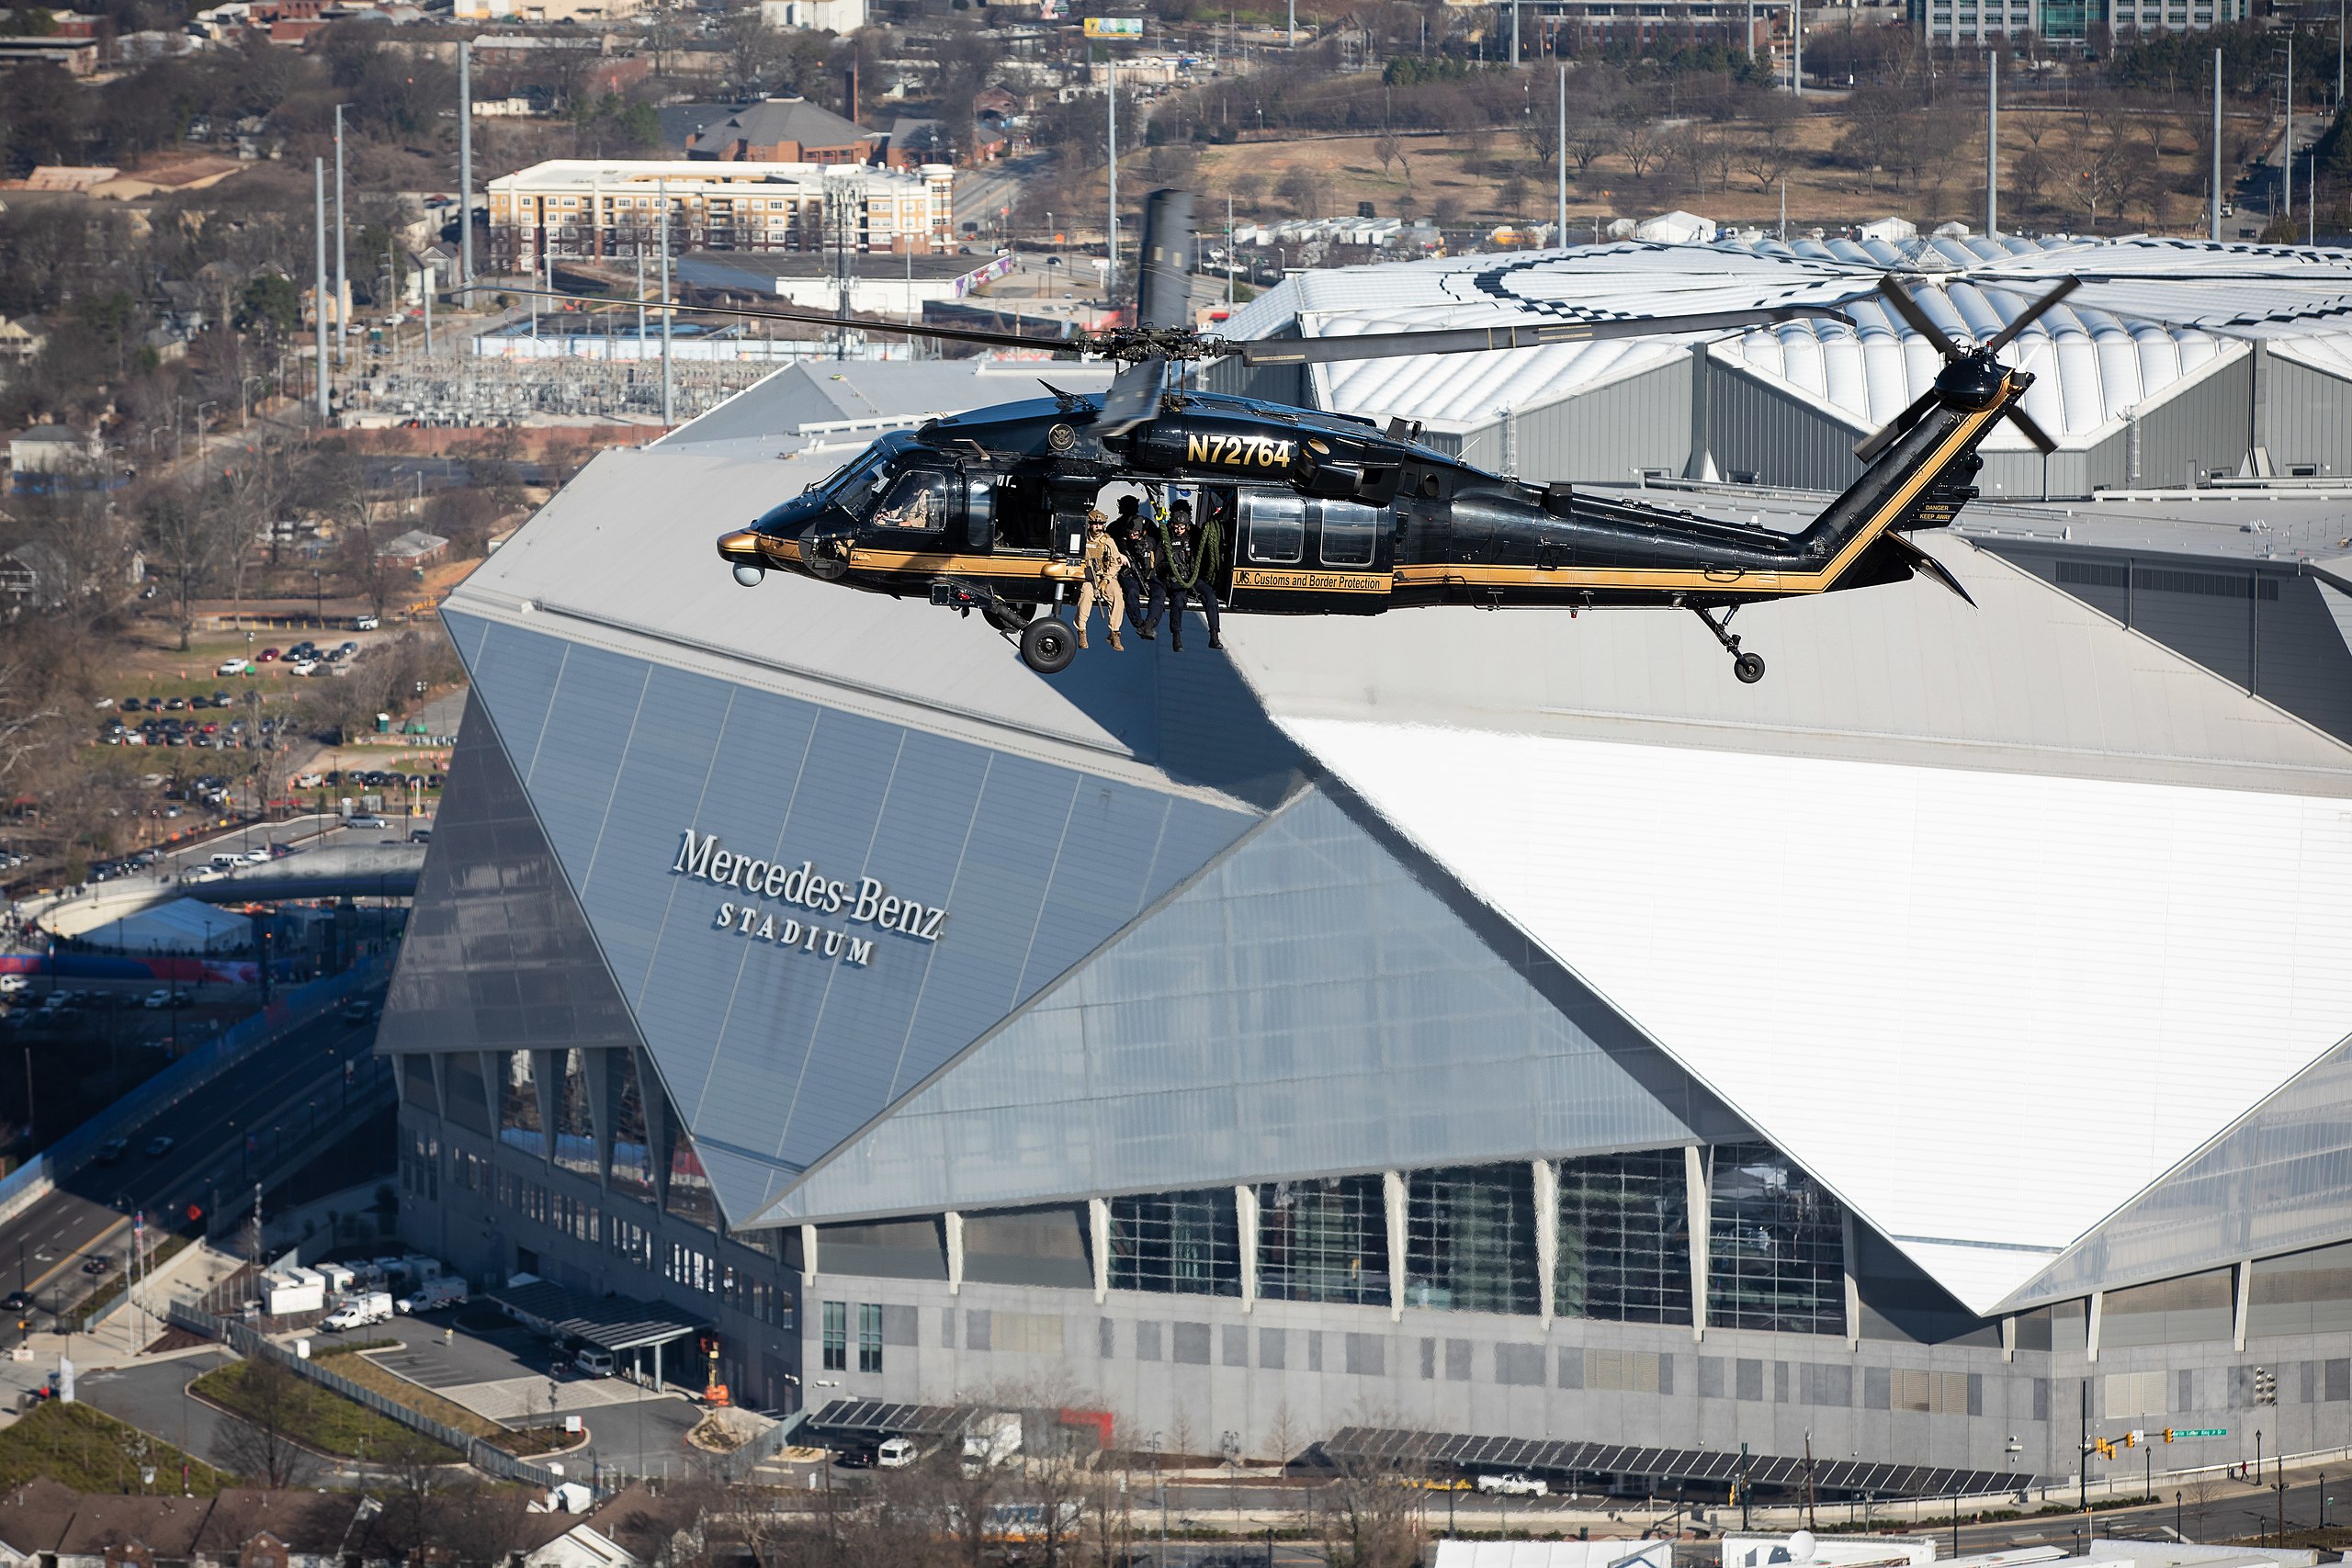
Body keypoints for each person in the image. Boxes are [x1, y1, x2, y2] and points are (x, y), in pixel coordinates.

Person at [1152, 500, 1224, 652]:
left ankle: (1214, 634)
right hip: (1175, 579)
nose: (1179, 530)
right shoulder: (1165, 537)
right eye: (1176, 526)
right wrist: (1169, 567)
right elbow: (1158, 565)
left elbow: (1205, 557)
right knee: (1178, 600)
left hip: (1193, 577)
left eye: (1182, 527)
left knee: (1210, 597)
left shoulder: (1195, 536)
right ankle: (1176, 637)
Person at [1074, 509, 1126, 651]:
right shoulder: (1082, 539)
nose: (1097, 527)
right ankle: (1082, 631)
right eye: (1095, 524)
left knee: (1117, 595)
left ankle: (1115, 632)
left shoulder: (1108, 541)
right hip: (1087, 576)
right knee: (1086, 594)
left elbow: (1116, 563)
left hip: (1105, 576)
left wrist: (1106, 580)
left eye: (1100, 524)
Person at [1112, 497, 1159, 637]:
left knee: (1159, 592)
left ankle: (1149, 624)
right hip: (1128, 572)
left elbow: (1159, 544)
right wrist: (1119, 555)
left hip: (1148, 572)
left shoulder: (1148, 526)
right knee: (1131, 591)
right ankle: (1139, 624)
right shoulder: (1115, 528)